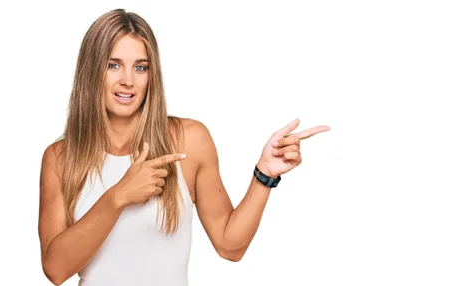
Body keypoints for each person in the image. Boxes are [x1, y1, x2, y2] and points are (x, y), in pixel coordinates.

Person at [37, 8, 330, 286]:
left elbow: (230, 246)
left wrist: (264, 175)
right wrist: (119, 196)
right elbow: (56, 270)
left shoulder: (188, 140)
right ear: (91, 71)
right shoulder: (61, 157)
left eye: (140, 67)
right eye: (113, 65)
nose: (127, 81)